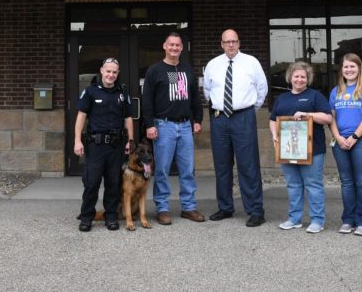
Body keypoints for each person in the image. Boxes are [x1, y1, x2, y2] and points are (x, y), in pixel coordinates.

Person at [203, 29, 268, 227]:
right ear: (221, 44)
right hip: (219, 119)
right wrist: (222, 109)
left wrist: (246, 110)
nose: (230, 45)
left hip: (243, 117)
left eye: (234, 41)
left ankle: (255, 210)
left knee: (248, 165)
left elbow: (261, 90)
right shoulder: (213, 65)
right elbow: (207, 92)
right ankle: (225, 207)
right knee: (222, 166)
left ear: (239, 43)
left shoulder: (251, 62)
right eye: (227, 42)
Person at [142, 32, 205, 225]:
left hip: (185, 125)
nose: (174, 48)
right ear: (164, 46)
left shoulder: (187, 70)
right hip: (164, 126)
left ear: (181, 48)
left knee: (187, 169)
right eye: (171, 45)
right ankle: (162, 208)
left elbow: (195, 97)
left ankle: (189, 207)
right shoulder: (154, 70)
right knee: (162, 169)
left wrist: (197, 119)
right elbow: (147, 101)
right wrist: (150, 125)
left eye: (177, 45)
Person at [269, 61, 332, 233]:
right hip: (288, 149)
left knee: (313, 185)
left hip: (313, 150)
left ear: (308, 78)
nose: (299, 79)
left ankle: (317, 221)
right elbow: (273, 119)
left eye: (303, 76)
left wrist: (307, 114)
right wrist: (275, 136)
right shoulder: (282, 99)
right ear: (290, 78)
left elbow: (328, 118)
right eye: (296, 76)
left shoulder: (315, 96)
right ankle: (294, 219)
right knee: (293, 185)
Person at [74, 57, 135, 232]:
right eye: (108, 71)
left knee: (113, 183)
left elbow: (128, 118)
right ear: (101, 71)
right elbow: (81, 117)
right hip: (96, 145)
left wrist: (130, 141)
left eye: (114, 72)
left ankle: (111, 216)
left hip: (116, 145)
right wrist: (77, 140)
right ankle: (86, 217)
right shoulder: (91, 91)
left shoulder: (122, 93)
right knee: (92, 182)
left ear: (118, 74)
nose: (111, 75)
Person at [329, 53, 362, 237]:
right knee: (347, 182)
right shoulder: (336, 91)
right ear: (341, 70)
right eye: (345, 67)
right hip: (341, 141)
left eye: (352, 66)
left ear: (359, 68)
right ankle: (348, 220)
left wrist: (355, 136)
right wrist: (338, 137)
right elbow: (331, 118)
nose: (349, 70)